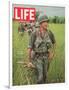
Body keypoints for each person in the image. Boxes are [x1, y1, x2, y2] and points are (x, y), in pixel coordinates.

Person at [28, 15, 56, 84]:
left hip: (46, 58)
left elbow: (54, 43)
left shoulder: (49, 33)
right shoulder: (34, 33)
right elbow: (29, 48)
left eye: (47, 21)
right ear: (40, 23)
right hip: (37, 58)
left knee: (45, 76)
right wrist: (29, 61)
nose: (46, 23)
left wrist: (52, 53)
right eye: (44, 22)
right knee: (40, 78)